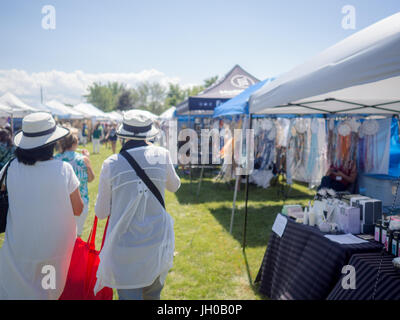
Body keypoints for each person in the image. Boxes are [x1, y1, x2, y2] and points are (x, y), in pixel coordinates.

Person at [94, 110, 181, 300]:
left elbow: (101, 213)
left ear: (124, 134)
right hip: (156, 240)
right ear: (148, 133)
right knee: (153, 296)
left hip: (125, 245)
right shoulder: (161, 154)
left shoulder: (111, 164)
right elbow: (174, 186)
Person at [0, 112, 83, 299]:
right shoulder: (64, 170)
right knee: (48, 294)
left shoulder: (10, 168)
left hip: (17, 254)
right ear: (52, 142)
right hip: (54, 256)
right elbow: (78, 209)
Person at [56, 128, 95, 237]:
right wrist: (87, 159)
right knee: (77, 237)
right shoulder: (83, 159)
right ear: (75, 143)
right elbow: (91, 178)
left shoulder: (55, 159)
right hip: (81, 202)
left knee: (62, 237)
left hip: (60, 202)